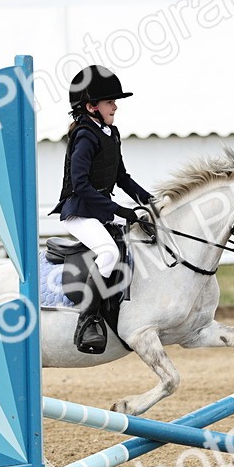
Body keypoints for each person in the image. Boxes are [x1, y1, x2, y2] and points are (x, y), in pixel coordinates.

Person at [51, 65, 153, 353]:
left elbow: (122, 178)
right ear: (91, 106)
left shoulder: (111, 133)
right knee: (108, 252)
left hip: (99, 210)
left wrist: (150, 201)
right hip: (79, 211)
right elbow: (81, 185)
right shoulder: (84, 136)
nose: (116, 107)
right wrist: (121, 211)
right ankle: (88, 320)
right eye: (110, 102)